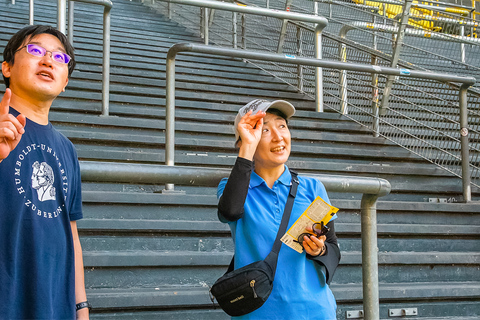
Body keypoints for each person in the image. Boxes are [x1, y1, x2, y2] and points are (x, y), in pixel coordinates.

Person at [217, 99, 340, 319]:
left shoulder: (313, 188)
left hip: (314, 310)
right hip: (260, 313)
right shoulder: (233, 187)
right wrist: (247, 147)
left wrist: (319, 250)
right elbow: (229, 212)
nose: (278, 136)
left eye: (282, 126)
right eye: (264, 130)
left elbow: (332, 247)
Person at [0, 25, 90, 319]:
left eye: (60, 58)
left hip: (56, 307)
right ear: (7, 67)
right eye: (36, 51)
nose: (48, 61)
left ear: (64, 83)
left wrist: (81, 306)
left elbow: (71, 235)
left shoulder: (67, 149)